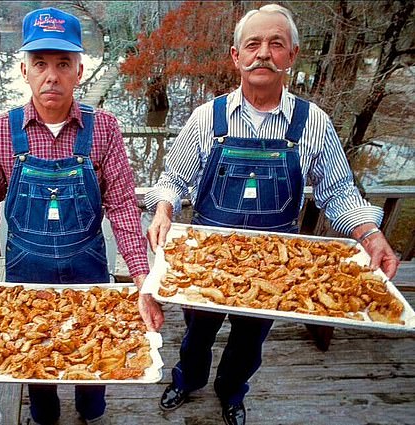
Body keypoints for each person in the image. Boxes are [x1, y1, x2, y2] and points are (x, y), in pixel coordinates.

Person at [144, 4, 399, 425]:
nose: (263, 53)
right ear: (236, 56)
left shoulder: (313, 123)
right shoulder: (206, 118)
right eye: (253, 44)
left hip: (276, 266)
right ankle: (187, 380)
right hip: (207, 259)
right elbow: (174, 178)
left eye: (275, 44)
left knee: (249, 341)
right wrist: (165, 208)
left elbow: (337, 193)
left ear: (292, 55)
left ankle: (231, 392)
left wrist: (370, 234)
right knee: (197, 334)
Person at [0, 6, 163, 425]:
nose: (51, 75)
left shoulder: (104, 128)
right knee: (32, 355)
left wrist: (143, 282)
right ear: (24, 70)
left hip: (88, 266)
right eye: (40, 64)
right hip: (24, 269)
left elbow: (124, 209)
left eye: (63, 64)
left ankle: (92, 412)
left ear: (80, 71)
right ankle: (45, 416)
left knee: (95, 351)